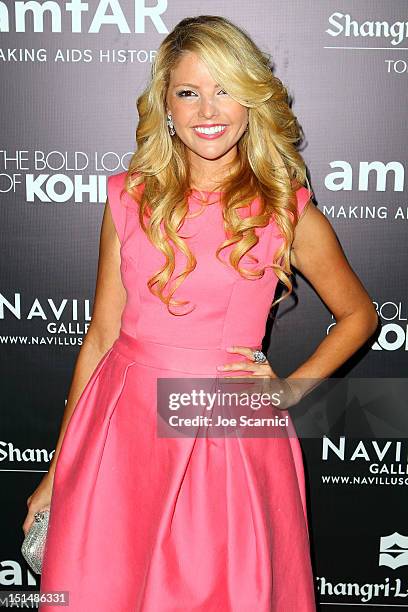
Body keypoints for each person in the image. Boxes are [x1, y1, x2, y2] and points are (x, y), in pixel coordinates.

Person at [23, 15, 378, 612]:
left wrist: (291, 389)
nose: (207, 109)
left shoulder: (284, 210)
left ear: (251, 101)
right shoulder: (127, 197)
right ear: (165, 103)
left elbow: (359, 315)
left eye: (225, 90)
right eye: (189, 91)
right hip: (121, 430)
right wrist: (59, 471)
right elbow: (101, 335)